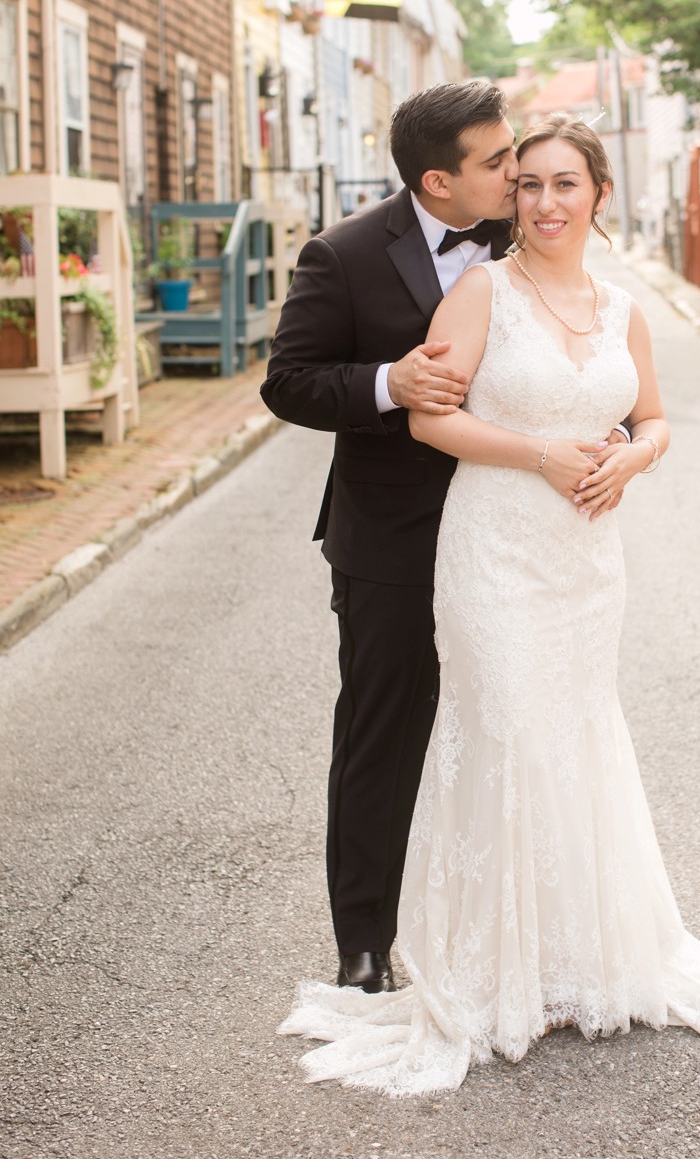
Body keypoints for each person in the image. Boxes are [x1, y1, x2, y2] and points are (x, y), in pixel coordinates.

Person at [279, 115, 700, 1093]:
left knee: (576, 737)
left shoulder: (621, 307)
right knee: (458, 734)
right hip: (480, 546)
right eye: (520, 182)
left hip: (583, 556)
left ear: (598, 194)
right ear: (469, 184)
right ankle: (447, 959)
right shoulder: (471, 282)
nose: (539, 200)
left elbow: (652, 416)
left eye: (561, 183)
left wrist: (631, 456)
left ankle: (579, 958)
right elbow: (422, 411)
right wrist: (527, 447)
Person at [260, 80, 521, 996]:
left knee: (515, 728)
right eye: (496, 160)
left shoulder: (531, 235)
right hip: (390, 539)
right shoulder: (343, 254)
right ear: (438, 183)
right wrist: (385, 386)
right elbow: (289, 382)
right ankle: (363, 942)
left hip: (516, 528)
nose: (517, 171)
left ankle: (513, 931)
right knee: (384, 732)